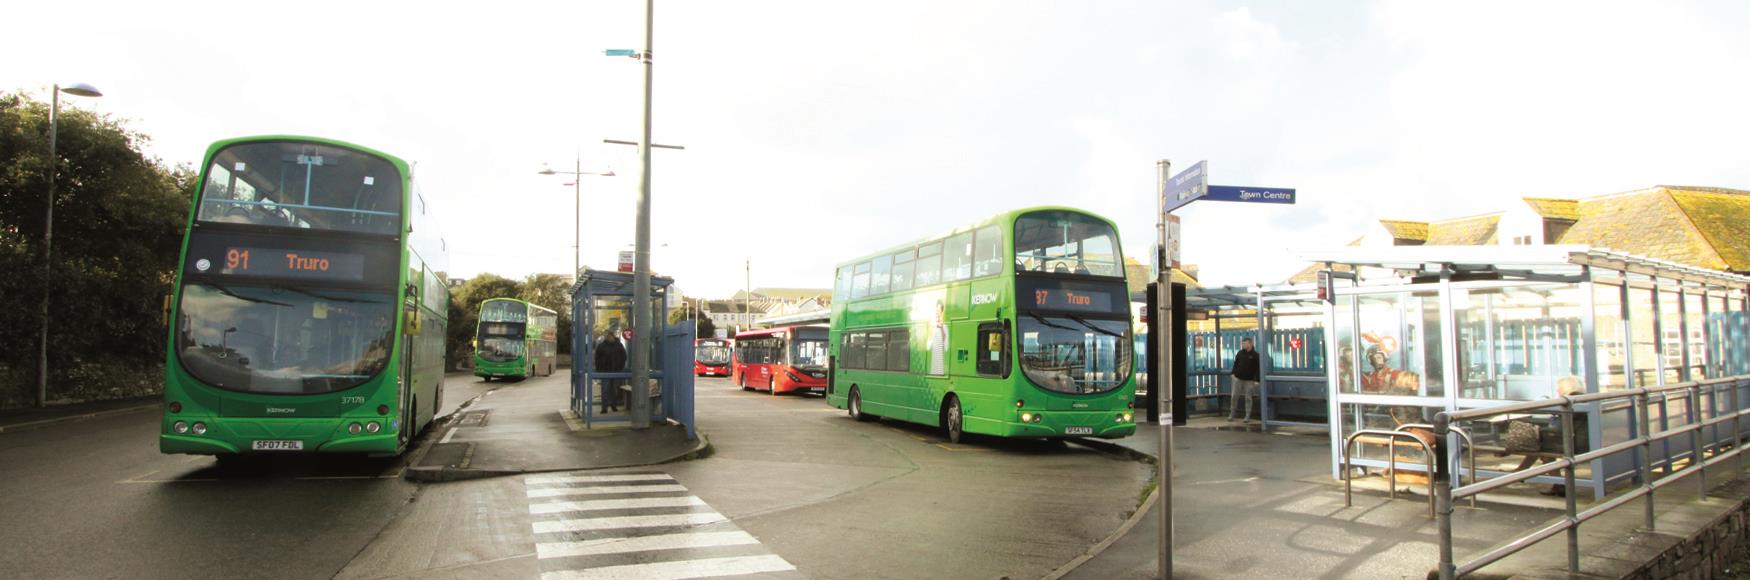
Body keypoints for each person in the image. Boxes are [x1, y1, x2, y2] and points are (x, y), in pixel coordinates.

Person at [1228, 338, 1260, 422]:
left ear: (1250, 344)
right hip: (1238, 378)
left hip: (1249, 380)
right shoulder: (1240, 353)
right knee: (1234, 396)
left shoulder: (1255, 355)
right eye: (1242, 344)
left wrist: (1257, 380)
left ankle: (1247, 416)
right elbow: (1235, 363)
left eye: (1245, 343)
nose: (1243, 345)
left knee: (1248, 398)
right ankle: (1232, 414)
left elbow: (1258, 368)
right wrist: (1232, 373)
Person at [594, 333, 628, 413]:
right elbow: (597, 358)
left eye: (609, 336)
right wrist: (599, 369)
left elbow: (624, 356)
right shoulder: (602, 346)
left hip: (615, 371)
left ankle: (613, 405)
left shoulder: (618, 345)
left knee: (614, 390)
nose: (608, 337)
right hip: (606, 371)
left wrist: (620, 367)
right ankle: (604, 407)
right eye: (607, 336)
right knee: (605, 389)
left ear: (613, 336)